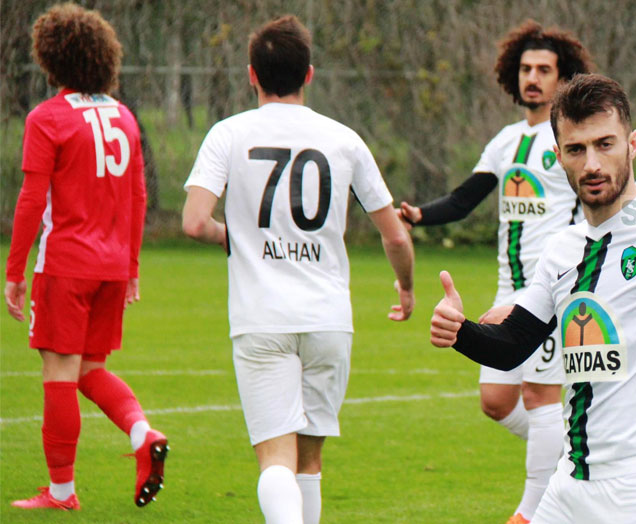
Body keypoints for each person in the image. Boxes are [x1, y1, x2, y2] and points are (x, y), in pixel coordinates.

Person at [430, 73, 636, 524]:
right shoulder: (562, 249)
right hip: (570, 486)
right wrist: (459, 331)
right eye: (577, 149)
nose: (592, 164)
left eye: (605, 144)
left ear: (633, 143)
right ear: (559, 154)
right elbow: (512, 347)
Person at [181, 15, 414, 524]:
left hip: (262, 318)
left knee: (274, 460)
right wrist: (407, 286)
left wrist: (234, 238)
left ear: (251, 75)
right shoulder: (344, 139)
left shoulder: (228, 133)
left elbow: (195, 222)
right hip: (328, 319)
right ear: (309, 74)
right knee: (309, 460)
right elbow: (394, 232)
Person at [397, 21, 593, 523]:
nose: (533, 78)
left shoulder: (571, 139)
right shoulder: (506, 141)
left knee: (540, 393)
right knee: (496, 399)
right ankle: (583, 450)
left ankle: (530, 512)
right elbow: (466, 198)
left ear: (563, 77)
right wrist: (422, 215)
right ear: (514, 74)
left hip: (552, 288)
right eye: (526, 69)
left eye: (545, 70)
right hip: (508, 287)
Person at [4, 3, 167, 511]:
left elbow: (32, 200)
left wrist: (13, 273)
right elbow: (138, 196)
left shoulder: (47, 118)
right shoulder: (123, 116)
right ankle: (142, 433)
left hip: (66, 263)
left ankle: (61, 493)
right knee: (88, 370)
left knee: (58, 373)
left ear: (51, 59)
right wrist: (133, 265)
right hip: (112, 266)